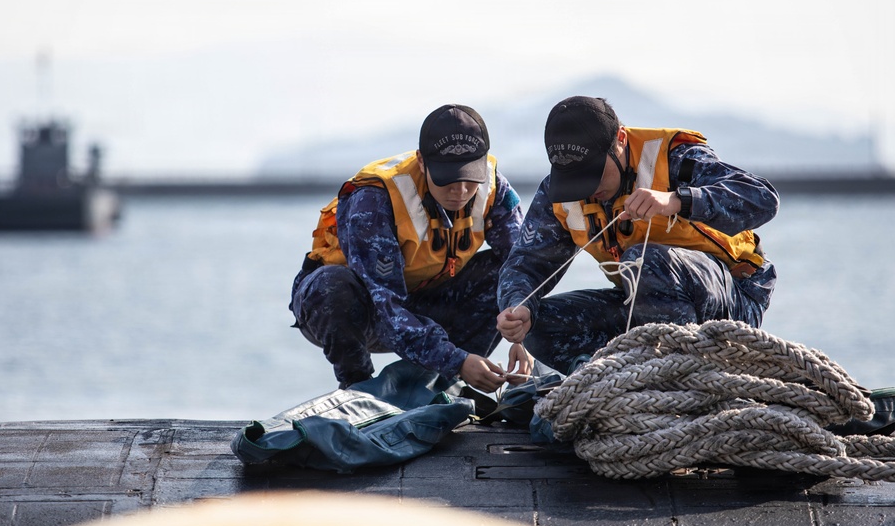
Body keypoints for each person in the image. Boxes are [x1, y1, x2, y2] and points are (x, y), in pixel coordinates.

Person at [496, 95, 779, 375]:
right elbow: (526, 263)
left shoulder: (675, 159)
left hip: (732, 299)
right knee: (538, 324)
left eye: (592, 172)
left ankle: (679, 377)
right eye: (574, 177)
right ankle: (608, 381)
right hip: (643, 308)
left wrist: (678, 200)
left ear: (620, 138)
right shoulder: (557, 194)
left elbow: (763, 199)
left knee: (643, 259)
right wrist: (517, 306)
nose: (586, 188)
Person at [291, 104, 527, 393]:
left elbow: (523, 263)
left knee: (512, 268)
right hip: (362, 310)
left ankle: (444, 387)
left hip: (427, 297)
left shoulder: (494, 188)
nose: (460, 191)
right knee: (333, 285)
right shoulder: (374, 199)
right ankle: (359, 389)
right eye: (448, 179)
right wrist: (455, 360)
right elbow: (385, 306)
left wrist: (521, 333)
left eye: (470, 178)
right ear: (422, 161)